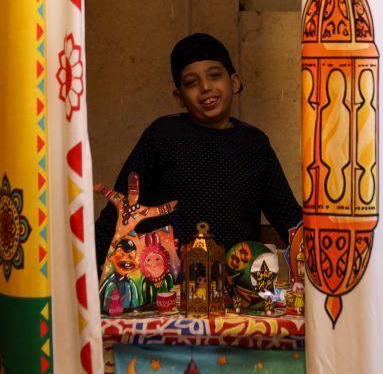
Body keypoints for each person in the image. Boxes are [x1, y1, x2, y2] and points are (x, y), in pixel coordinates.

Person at [94, 33, 301, 271]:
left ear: (234, 82)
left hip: (238, 292)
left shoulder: (254, 144)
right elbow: (119, 213)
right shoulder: (163, 136)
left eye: (214, 76)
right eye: (191, 82)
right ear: (179, 97)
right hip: (166, 291)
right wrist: (86, 278)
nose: (205, 87)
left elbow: (289, 219)